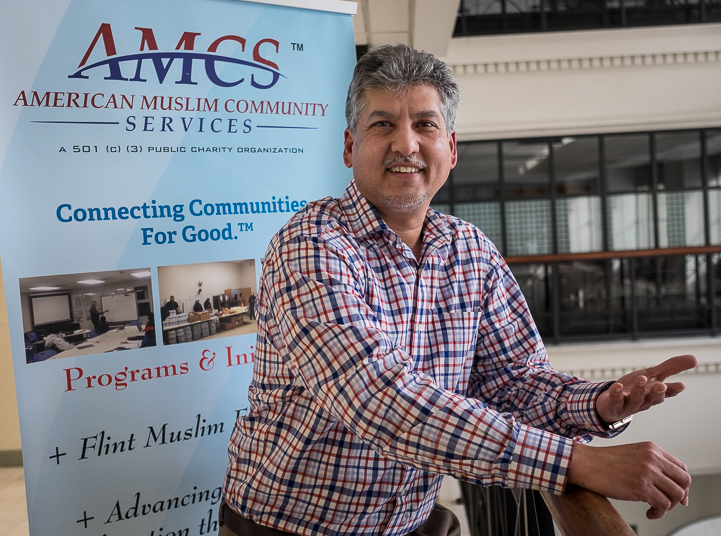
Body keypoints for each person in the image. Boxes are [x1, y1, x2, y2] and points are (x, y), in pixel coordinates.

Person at [221, 45, 695, 536]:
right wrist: (575, 462)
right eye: (382, 124)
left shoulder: (470, 249)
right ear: (348, 146)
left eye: (425, 125)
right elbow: (377, 399)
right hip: (287, 528)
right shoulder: (310, 243)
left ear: (451, 148)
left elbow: (511, 381)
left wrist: (597, 403)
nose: (406, 144)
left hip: (410, 523)